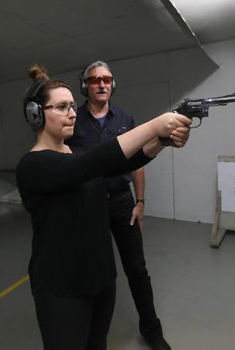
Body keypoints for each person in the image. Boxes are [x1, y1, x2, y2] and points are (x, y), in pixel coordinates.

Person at [16, 63, 191, 350]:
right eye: (61, 107)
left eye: (72, 105)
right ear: (36, 115)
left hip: (100, 279)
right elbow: (88, 165)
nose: (73, 113)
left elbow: (124, 162)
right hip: (62, 286)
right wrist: (154, 125)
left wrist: (161, 140)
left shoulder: (78, 151)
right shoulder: (32, 165)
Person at [65, 61, 172, 350]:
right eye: (95, 79)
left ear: (113, 84)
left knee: (137, 269)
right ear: (85, 85)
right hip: (88, 205)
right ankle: (90, 334)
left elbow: (138, 163)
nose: (102, 84)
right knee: (92, 271)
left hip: (123, 203)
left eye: (107, 79)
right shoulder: (74, 120)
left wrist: (140, 202)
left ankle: (151, 331)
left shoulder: (125, 118)